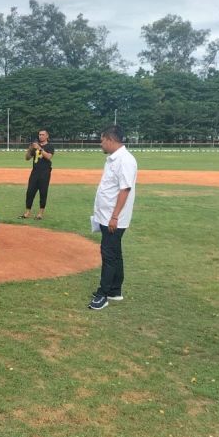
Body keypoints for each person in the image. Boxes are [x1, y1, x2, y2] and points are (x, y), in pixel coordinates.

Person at [88, 125, 138, 310]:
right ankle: (115, 290)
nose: (101, 144)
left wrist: (115, 217)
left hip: (113, 218)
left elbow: (125, 189)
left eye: (102, 140)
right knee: (115, 253)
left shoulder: (125, 160)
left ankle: (104, 294)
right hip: (106, 216)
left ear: (110, 139)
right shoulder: (113, 159)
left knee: (108, 255)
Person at [19, 129, 55, 220]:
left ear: (47, 136)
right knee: (30, 192)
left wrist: (39, 148)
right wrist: (30, 149)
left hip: (45, 172)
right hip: (35, 172)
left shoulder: (50, 146)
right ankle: (27, 212)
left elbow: (49, 157)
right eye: (39, 134)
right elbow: (27, 158)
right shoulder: (35, 146)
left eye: (42, 135)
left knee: (43, 192)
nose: (40, 136)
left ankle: (40, 213)